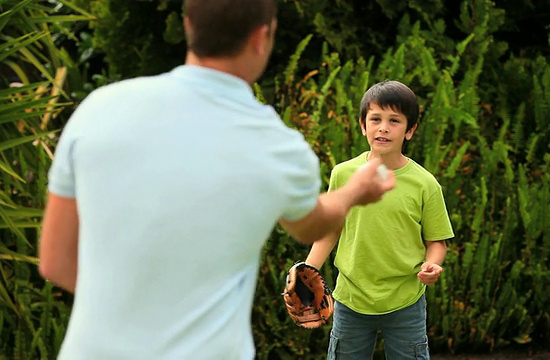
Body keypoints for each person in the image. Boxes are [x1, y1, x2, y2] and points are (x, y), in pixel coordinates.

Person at [38, 0, 395, 359]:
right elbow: (310, 225)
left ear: (189, 25)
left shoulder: (99, 109)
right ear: (261, 37)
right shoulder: (276, 145)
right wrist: (353, 192)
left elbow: (55, 262)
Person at [305, 80, 455, 359]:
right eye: (375, 119)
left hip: (405, 301)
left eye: (394, 120)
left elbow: (437, 241)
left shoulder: (425, 184)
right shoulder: (343, 174)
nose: (383, 127)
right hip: (351, 298)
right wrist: (307, 271)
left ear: (410, 130)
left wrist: (432, 264)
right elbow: (330, 229)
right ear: (363, 125)